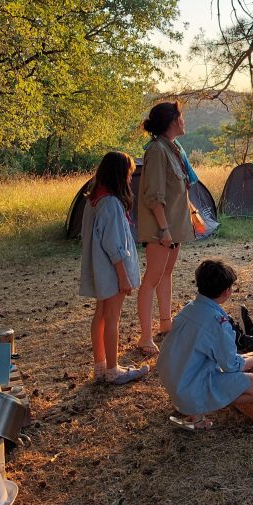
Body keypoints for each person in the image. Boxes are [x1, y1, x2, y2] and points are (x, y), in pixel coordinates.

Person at [157, 259, 253, 430]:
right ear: (227, 291)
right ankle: (201, 406)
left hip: (175, 382)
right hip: (190, 389)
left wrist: (251, 358)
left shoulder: (189, 308)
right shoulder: (217, 322)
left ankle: (196, 411)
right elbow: (229, 365)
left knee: (238, 363)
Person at [79, 152, 150, 384]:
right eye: (129, 174)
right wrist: (123, 277)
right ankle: (113, 370)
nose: (130, 178)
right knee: (112, 317)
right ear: (119, 175)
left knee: (101, 315)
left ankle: (100, 366)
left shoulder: (95, 198)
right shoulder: (109, 203)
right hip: (111, 271)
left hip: (102, 270)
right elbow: (114, 245)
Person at [136, 101, 194, 356]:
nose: (184, 120)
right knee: (151, 279)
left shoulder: (173, 148)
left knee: (166, 274)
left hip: (172, 227)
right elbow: (154, 195)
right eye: (181, 116)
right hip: (161, 229)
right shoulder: (157, 151)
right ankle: (145, 337)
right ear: (172, 120)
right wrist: (164, 229)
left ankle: (165, 324)